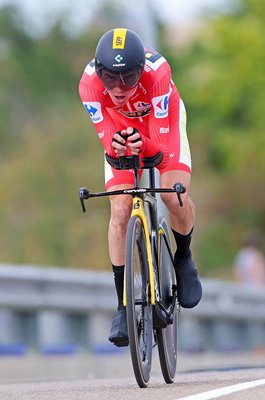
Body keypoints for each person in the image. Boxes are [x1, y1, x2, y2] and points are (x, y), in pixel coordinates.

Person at [78, 28, 202, 347]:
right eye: (110, 79)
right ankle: (122, 306)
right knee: (119, 213)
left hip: (161, 124)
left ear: (140, 72)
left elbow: (159, 146)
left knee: (176, 196)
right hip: (120, 129)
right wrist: (118, 147)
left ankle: (184, 257)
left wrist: (142, 144)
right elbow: (107, 140)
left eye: (128, 78)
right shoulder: (89, 86)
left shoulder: (158, 74)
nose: (118, 88)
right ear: (99, 73)